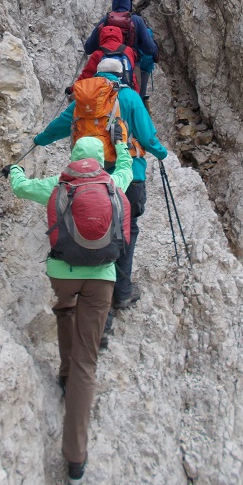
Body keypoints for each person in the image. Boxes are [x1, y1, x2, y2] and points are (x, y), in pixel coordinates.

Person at [5, 136, 133, 485]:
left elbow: (21, 187)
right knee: (87, 362)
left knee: (64, 311)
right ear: (97, 160)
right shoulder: (112, 183)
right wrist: (121, 147)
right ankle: (75, 459)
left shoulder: (58, 184)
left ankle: (64, 375)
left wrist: (14, 169)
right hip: (103, 277)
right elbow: (126, 170)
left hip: (62, 272)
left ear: (74, 157)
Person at [34, 58, 168, 313]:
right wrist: (161, 154)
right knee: (127, 229)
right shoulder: (129, 98)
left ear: (97, 74)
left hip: (90, 179)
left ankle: (92, 292)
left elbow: (59, 126)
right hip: (129, 177)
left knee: (96, 229)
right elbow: (148, 136)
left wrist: (38, 140)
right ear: (123, 75)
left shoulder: (84, 99)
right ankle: (122, 293)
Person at [83, 0, 158, 67]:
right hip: (130, 64)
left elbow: (88, 48)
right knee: (136, 76)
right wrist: (155, 52)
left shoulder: (105, 20)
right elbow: (149, 48)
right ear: (128, 5)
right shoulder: (136, 20)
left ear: (114, 5)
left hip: (106, 64)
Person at [71, 24, 139, 92]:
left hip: (104, 93)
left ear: (102, 36)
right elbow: (131, 73)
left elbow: (86, 75)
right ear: (119, 36)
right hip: (125, 90)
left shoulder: (98, 53)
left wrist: (72, 89)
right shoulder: (128, 51)